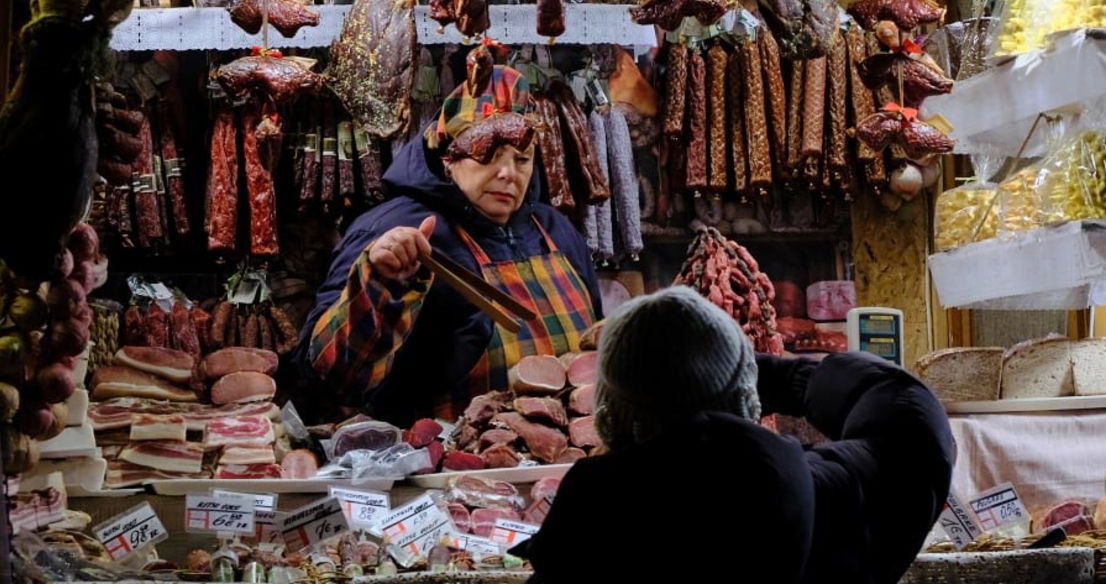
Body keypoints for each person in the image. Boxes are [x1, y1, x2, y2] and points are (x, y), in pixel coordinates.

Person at [514, 286, 954, 583]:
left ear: (608, 411)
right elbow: (912, 422)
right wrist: (783, 378)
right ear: (745, 394)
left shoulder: (585, 524)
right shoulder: (803, 491)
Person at [294, 57, 602, 426]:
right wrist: (376, 284)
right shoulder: (391, 227)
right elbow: (324, 380)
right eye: (489, 154)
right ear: (448, 158)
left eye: (522, 159)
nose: (508, 173)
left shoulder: (556, 231)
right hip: (443, 468)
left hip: (554, 462)